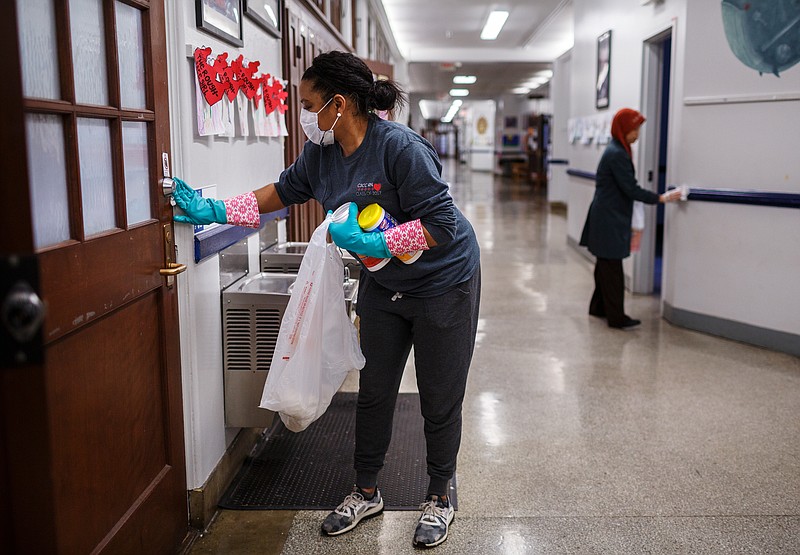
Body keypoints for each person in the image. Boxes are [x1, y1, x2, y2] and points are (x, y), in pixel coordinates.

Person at [172, 51, 481, 548]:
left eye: (309, 104)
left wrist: (383, 243)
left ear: (339, 104)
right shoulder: (319, 155)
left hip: (444, 281)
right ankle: (365, 490)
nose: (304, 115)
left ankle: (439, 497)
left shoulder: (400, 148)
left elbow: (443, 223)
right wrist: (213, 209)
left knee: (439, 394)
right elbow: (275, 194)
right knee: (374, 390)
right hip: (385, 286)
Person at [579, 108, 680, 329]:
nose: (637, 134)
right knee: (612, 269)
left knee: (605, 265)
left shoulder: (617, 150)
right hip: (608, 219)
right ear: (623, 129)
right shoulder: (617, 154)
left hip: (607, 216)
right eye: (635, 129)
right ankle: (616, 317)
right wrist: (660, 198)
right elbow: (630, 189)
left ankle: (598, 307)